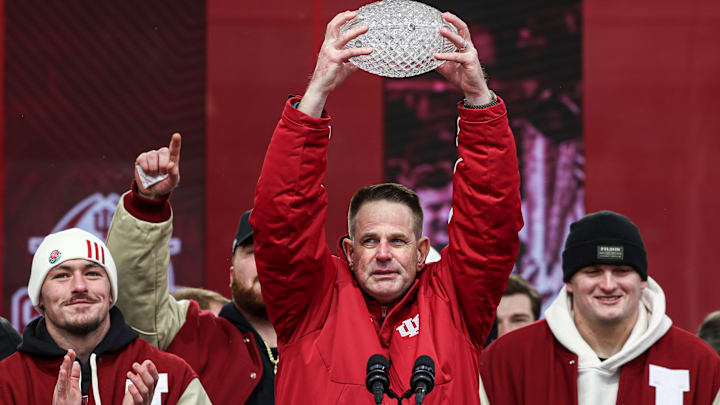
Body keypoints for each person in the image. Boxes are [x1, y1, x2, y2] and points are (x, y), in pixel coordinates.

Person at [251, 9, 522, 404]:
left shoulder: (457, 304)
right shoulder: (310, 304)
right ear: (347, 251)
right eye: (368, 241)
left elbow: (491, 220)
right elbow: (283, 220)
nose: (382, 254)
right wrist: (316, 94)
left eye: (397, 241)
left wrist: (479, 98)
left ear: (421, 252)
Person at [480, 211, 720, 404]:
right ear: (569, 282)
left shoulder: (697, 364)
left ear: (643, 280)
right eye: (593, 272)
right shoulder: (507, 360)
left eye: (621, 271)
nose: (608, 285)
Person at [106, 134, 278, 404]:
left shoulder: (332, 340)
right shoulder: (189, 331)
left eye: (280, 252)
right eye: (253, 252)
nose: (268, 262)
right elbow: (134, 297)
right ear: (231, 274)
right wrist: (147, 204)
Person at [0, 228, 210, 404]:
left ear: (111, 293)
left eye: (92, 273)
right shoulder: (7, 383)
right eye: (62, 275)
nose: (80, 286)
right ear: (40, 297)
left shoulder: (172, 376)